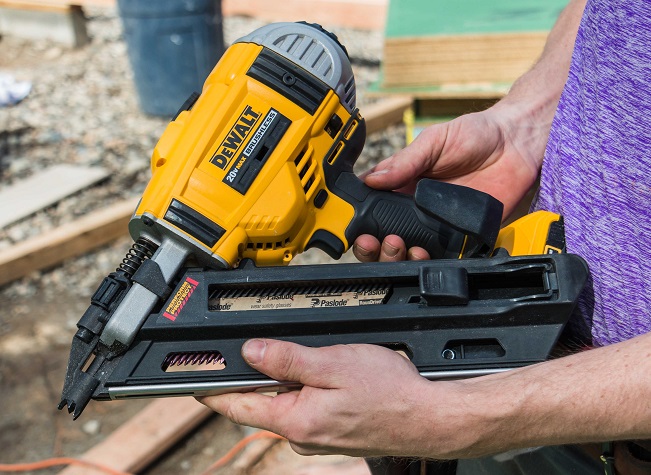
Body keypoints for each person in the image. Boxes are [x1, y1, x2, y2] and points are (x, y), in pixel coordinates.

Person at [198, 0, 651, 472]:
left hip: (542, 411)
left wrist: (459, 418)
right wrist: (525, 120)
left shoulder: (471, 416)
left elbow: (467, 417)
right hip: (523, 362)